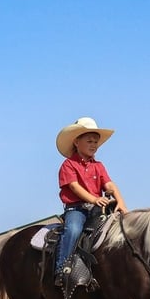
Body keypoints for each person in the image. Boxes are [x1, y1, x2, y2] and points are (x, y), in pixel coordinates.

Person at [54, 117, 128, 285]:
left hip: (97, 209)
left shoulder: (99, 166)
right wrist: (95, 199)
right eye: (89, 141)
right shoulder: (68, 165)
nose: (94, 144)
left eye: (96, 142)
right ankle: (62, 268)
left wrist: (121, 203)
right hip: (77, 209)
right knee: (73, 230)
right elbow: (74, 187)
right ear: (76, 142)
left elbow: (110, 184)